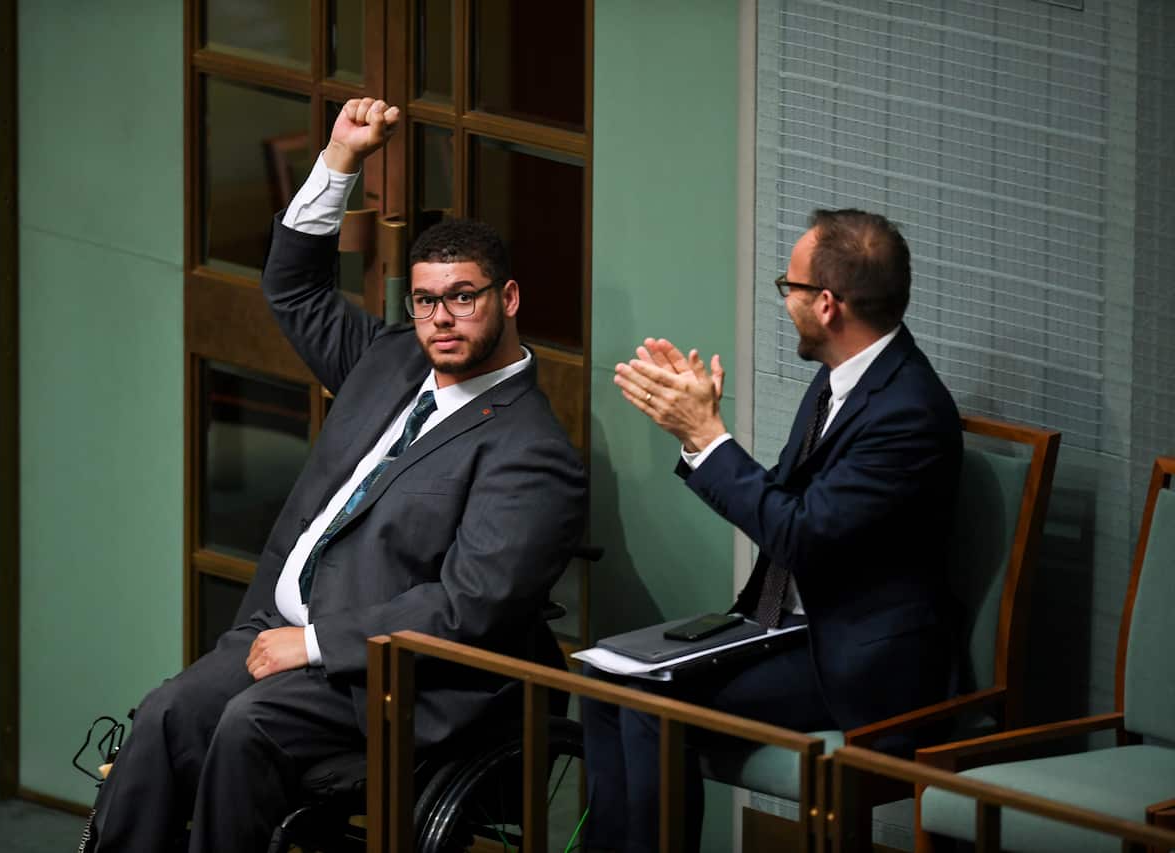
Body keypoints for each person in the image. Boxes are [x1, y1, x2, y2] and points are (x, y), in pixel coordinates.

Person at [89, 98, 586, 853]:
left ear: (507, 298)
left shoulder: (531, 451)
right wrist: (340, 160)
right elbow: (292, 289)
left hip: (382, 678)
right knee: (163, 717)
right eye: (426, 301)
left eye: (463, 297)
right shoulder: (389, 360)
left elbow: (466, 608)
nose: (441, 318)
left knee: (242, 729)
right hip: (273, 632)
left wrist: (317, 641)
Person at [583, 209, 961, 852]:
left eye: (789, 289)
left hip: (859, 663)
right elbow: (787, 506)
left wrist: (707, 439)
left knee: (652, 705)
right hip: (790, 631)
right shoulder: (845, 378)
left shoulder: (908, 413)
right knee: (598, 683)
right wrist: (699, 435)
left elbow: (800, 537)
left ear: (828, 305)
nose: (783, 302)